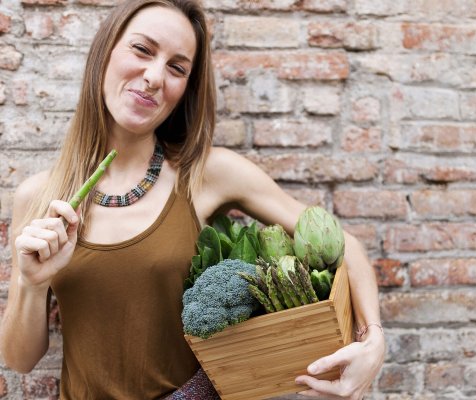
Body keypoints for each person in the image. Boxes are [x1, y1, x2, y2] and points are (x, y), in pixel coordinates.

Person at [0, 0, 385, 398]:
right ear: (105, 51)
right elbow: (21, 360)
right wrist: (31, 284)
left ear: (185, 89)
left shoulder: (207, 174)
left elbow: (346, 247)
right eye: (142, 50)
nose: (153, 77)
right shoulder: (40, 197)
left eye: (176, 67)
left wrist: (372, 339)